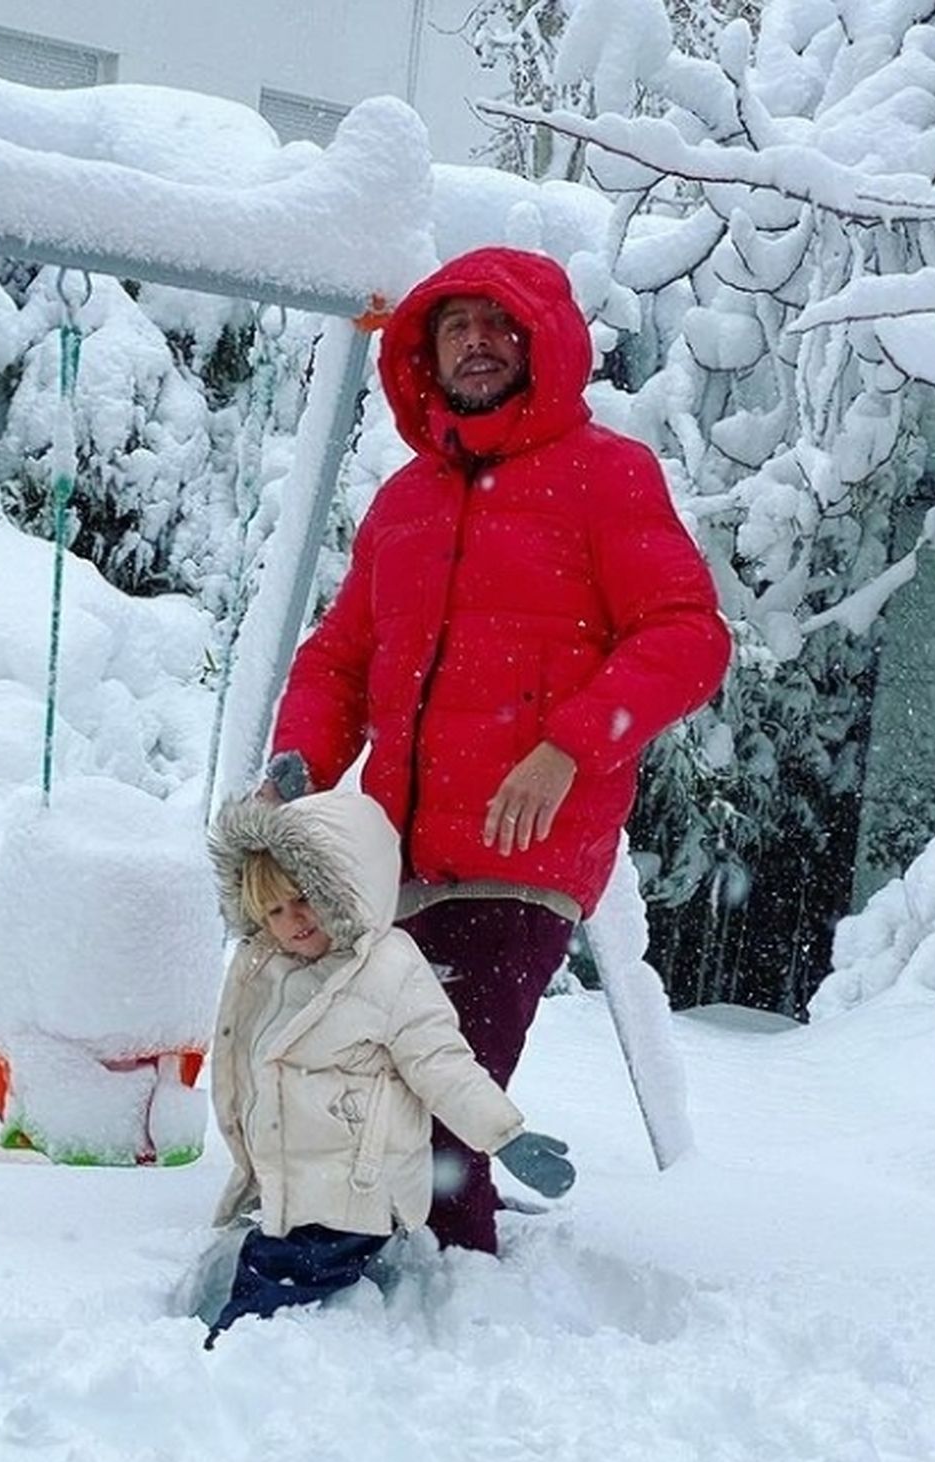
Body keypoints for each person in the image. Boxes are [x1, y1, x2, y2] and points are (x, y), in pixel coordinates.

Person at [259, 246, 731, 1255]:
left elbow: (687, 634)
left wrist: (567, 745)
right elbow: (337, 660)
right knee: (349, 1064)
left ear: (541, 342)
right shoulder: (406, 503)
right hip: (396, 856)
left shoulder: (607, 477)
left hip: (523, 854)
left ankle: (421, 1294)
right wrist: (298, 761)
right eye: (453, 325)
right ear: (427, 353)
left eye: (495, 323)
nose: (474, 341)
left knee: (434, 1090)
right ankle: (395, 1267)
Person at [201, 789, 575, 1345]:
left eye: (304, 897)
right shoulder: (270, 970)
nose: (292, 920)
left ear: (347, 888)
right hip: (295, 1185)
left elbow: (442, 1064)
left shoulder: (390, 970)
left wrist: (506, 1136)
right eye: (273, 910)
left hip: (351, 1191)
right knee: (270, 1272)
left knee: (268, 1297)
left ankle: (229, 1367)